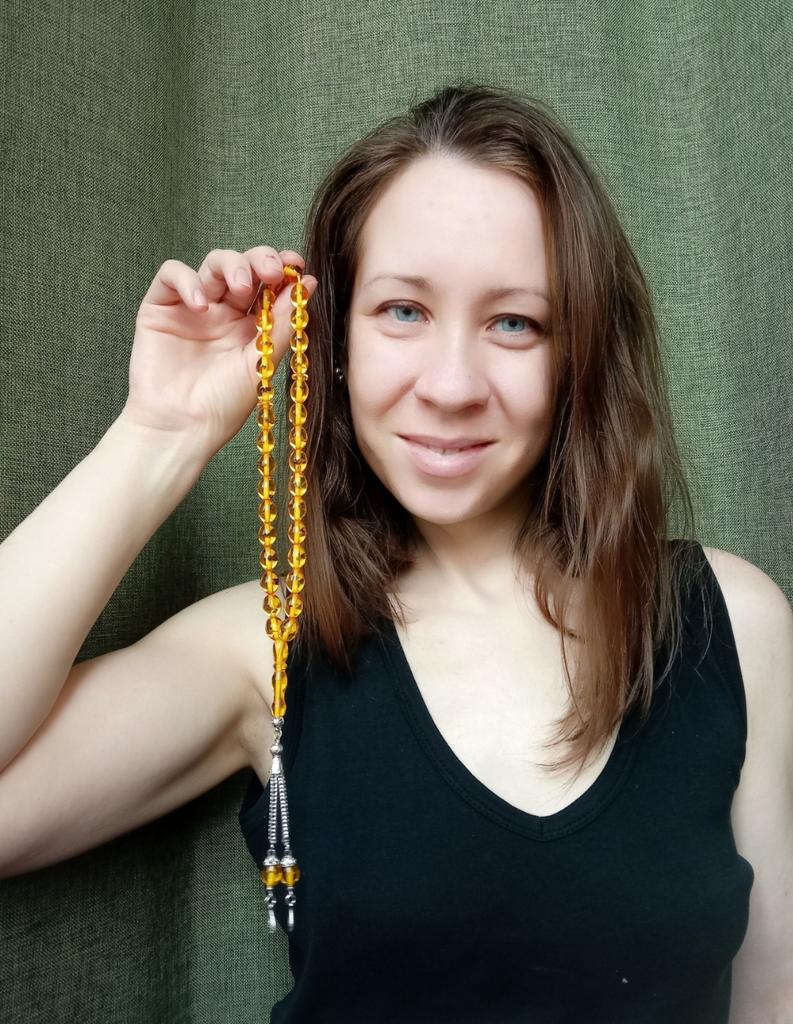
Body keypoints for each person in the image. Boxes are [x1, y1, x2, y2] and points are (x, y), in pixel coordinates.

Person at [0, 82, 790, 1022]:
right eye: (403, 311)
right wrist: (158, 435)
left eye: (514, 322)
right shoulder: (265, 646)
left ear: (577, 353)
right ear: (334, 339)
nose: (451, 386)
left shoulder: (731, 622)